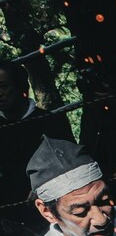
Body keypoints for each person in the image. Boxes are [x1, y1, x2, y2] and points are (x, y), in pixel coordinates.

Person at [0, 59, 72, 209]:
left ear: (22, 87)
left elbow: (71, 165)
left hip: (52, 204)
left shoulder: (51, 123)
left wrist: (47, 185)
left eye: (3, 87)